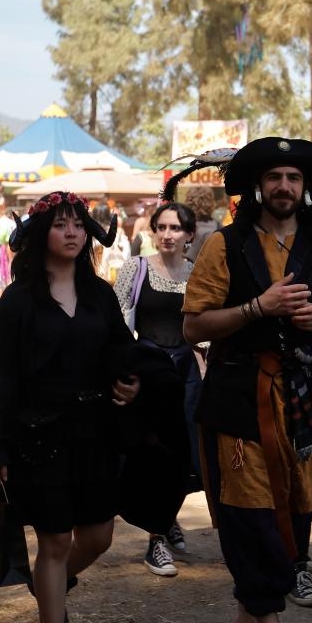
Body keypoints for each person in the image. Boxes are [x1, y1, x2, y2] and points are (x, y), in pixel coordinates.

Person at [181, 137, 312, 623]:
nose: (283, 186)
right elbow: (194, 326)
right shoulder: (223, 246)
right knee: (251, 513)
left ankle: (247, 616)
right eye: (274, 176)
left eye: (293, 178)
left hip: (304, 399)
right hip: (239, 397)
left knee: (301, 508)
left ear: (306, 188)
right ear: (258, 185)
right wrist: (258, 307)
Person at [0, 191, 140, 623]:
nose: (72, 232)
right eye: (61, 225)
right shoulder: (18, 301)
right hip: (38, 437)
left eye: (78, 224)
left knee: (98, 537)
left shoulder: (99, 295)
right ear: (41, 235)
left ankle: (45, 586)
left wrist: (130, 380)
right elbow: (1, 378)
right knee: (53, 541)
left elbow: (122, 348)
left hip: (94, 431)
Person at [114, 202, 201, 577]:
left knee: (185, 455)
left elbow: (205, 323)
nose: (167, 235)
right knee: (153, 455)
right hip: (148, 371)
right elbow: (117, 322)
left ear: (189, 235)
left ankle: (168, 518)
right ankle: (156, 540)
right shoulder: (137, 267)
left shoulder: (197, 273)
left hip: (186, 372)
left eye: (175, 228)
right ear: (152, 231)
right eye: (161, 227)